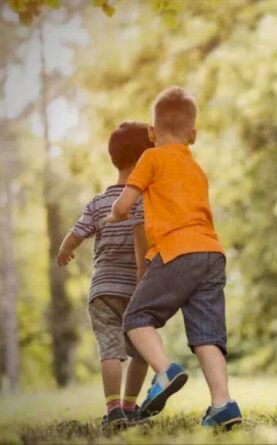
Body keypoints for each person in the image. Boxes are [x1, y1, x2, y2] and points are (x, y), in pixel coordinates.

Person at [106, 86, 241, 428]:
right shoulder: (196, 169)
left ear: (151, 133)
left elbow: (125, 202)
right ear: (192, 135)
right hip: (211, 253)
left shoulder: (151, 157)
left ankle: (164, 371)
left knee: (136, 319)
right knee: (207, 335)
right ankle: (223, 405)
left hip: (175, 251)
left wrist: (114, 215)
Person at [56, 122, 152, 432]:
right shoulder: (145, 200)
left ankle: (113, 409)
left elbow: (76, 234)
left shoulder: (98, 202)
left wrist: (64, 251)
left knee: (109, 349)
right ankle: (128, 405)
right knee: (142, 351)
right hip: (136, 288)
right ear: (145, 160)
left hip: (102, 290)